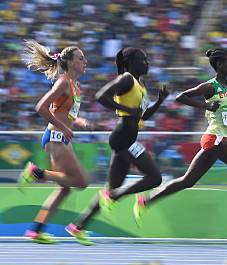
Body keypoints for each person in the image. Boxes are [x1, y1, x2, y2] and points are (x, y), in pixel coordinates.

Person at [133, 48, 227, 233]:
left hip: (218, 138)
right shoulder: (210, 86)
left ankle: (145, 201)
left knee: (187, 181)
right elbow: (180, 97)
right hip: (214, 138)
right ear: (219, 65)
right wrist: (206, 105)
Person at [66, 47, 168, 245]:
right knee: (155, 178)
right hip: (124, 138)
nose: (147, 62)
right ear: (130, 63)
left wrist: (160, 101)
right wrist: (125, 109)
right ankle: (112, 196)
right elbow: (101, 96)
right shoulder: (126, 79)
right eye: (142, 59)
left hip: (127, 137)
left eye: (147, 59)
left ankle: (77, 226)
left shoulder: (140, 84)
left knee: (112, 186)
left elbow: (143, 115)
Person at [19, 40, 93, 244]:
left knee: (64, 188)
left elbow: (58, 111)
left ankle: (37, 230)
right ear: (69, 63)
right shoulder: (64, 82)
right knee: (81, 182)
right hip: (56, 137)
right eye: (80, 58)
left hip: (60, 137)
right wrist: (64, 128)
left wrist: (77, 121)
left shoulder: (75, 86)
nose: (85, 61)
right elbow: (41, 107)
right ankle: (36, 173)